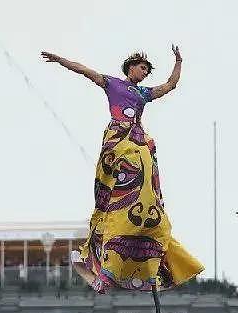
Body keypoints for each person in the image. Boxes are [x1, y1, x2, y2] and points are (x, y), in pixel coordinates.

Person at [41, 47, 203, 293]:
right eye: (142, 68)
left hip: (137, 140)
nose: (144, 73)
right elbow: (85, 70)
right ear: (131, 67)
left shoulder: (143, 93)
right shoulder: (114, 84)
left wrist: (179, 61)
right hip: (119, 138)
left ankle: (149, 201)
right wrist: (60, 60)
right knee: (124, 171)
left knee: (146, 164)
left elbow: (170, 85)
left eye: (147, 71)